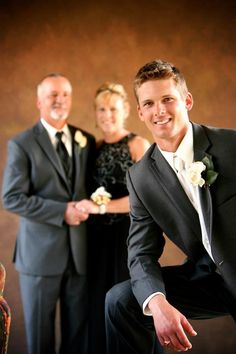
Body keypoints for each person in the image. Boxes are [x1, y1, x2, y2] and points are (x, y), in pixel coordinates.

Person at [105, 59, 236, 354]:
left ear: (187, 101)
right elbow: (140, 253)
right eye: (149, 103)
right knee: (121, 300)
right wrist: (157, 302)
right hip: (209, 279)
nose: (159, 111)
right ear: (140, 112)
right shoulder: (140, 178)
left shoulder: (231, 146)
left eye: (167, 99)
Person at [1, 73, 96, 354]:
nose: (60, 100)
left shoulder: (85, 140)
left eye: (65, 94)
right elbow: (12, 198)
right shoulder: (23, 143)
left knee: (77, 340)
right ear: (39, 101)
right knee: (40, 341)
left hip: (79, 255)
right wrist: (61, 211)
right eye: (53, 94)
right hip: (39, 258)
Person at [83, 82, 151, 354]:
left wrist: (100, 207)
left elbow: (144, 198)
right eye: (101, 109)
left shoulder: (137, 144)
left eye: (112, 108)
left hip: (126, 240)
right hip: (95, 242)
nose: (106, 114)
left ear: (125, 110)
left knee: (125, 306)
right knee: (97, 306)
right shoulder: (94, 147)